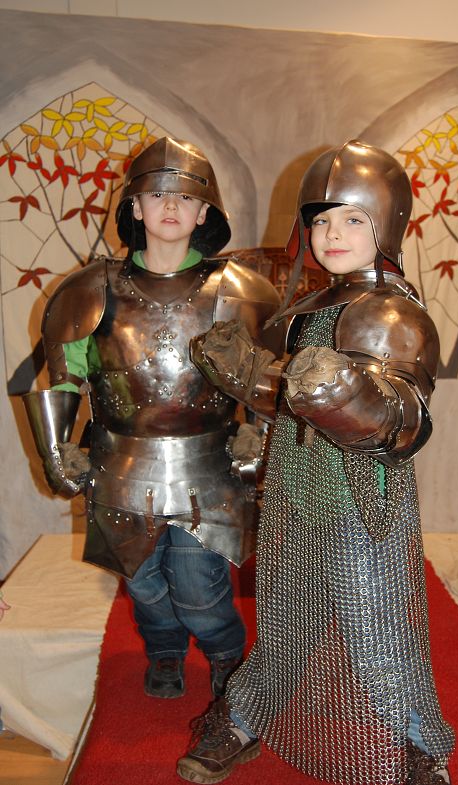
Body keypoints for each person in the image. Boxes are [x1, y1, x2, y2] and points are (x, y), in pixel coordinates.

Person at [177, 140, 455, 784]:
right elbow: (287, 396)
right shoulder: (308, 308)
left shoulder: (391, 312)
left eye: (353, 219)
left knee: (377, 632)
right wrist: (248, 375)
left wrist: (350, 395)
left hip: (361, 498)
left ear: (386, 224)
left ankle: (422, 748)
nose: (332, 234)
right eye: (321, 219)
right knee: (284, 624)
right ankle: (244, 719)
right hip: (298, 486)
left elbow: (403, 421)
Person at [23, 136, 284, 700]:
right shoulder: (90, 288)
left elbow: (264, 381)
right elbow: (66, 376)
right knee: (142, 584)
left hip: (208, 467)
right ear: (135, 208)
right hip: (119, 463)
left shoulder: (240, 291)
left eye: (186, 197)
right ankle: (165, 649)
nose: (171, 205)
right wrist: (56, 449)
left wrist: (257, 437)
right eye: (157, 194)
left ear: (205, 213)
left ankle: (225, 653)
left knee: (198, 587)